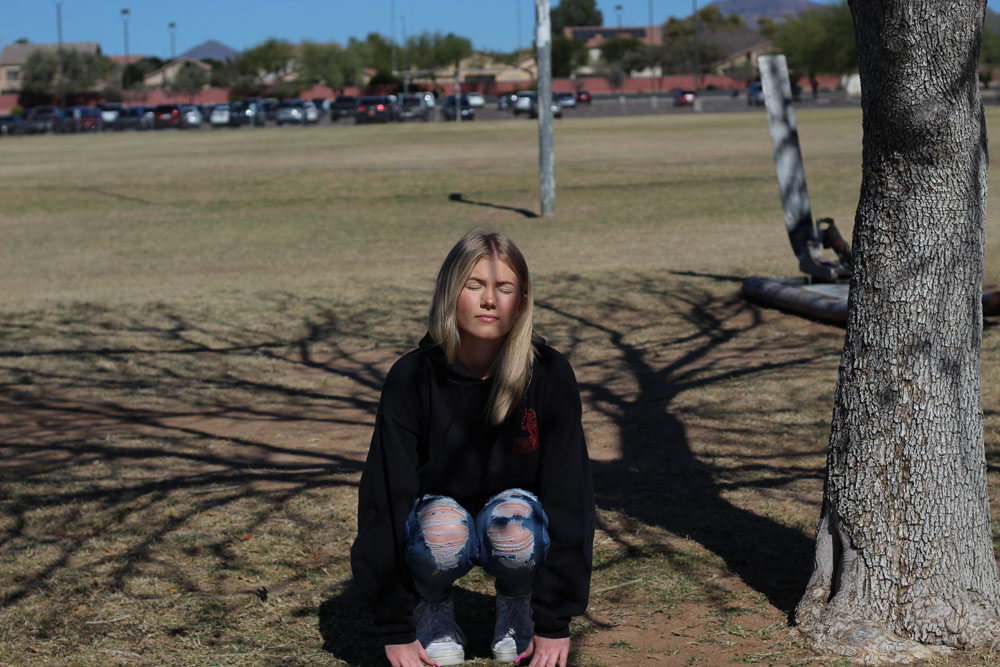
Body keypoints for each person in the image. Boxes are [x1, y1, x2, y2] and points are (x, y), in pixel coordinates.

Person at [351, 231, 595, 667]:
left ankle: (517, 603)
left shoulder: (550, 374)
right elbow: (386, 499)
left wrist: (554, 621)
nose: (489, 301)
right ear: (450, 292)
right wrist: (395, 628)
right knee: (443, 529)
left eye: (503, 288)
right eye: (474, 285)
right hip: (439, 522)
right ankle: (434, 607)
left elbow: (569, 495)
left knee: (514, 524)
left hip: (516, 520)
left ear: (521, 301)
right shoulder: (411, 377)